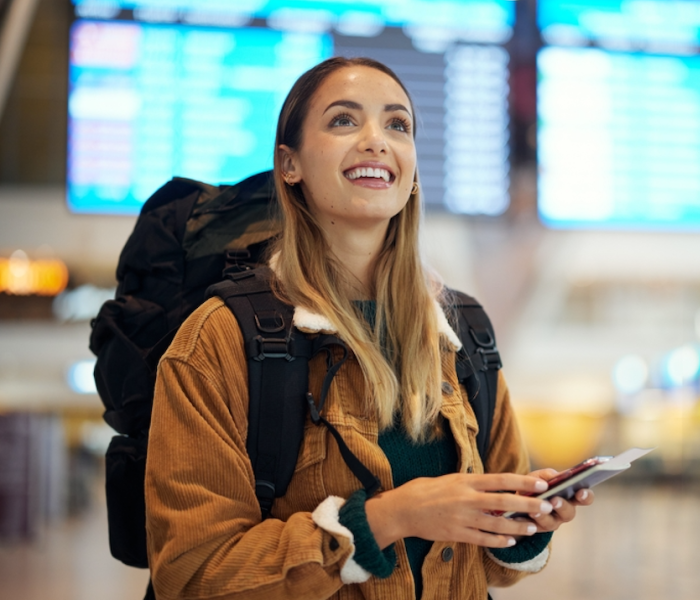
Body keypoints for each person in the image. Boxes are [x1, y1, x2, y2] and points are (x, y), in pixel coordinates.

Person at [144, 56, 593, 600]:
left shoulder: (461, 330)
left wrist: (526, 519)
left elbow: (491, 566)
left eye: (397, 125)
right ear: (290, 164)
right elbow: (191, 575)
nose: (376, 141)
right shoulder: (220, 340)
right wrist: (387, 519)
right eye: (343, 121)